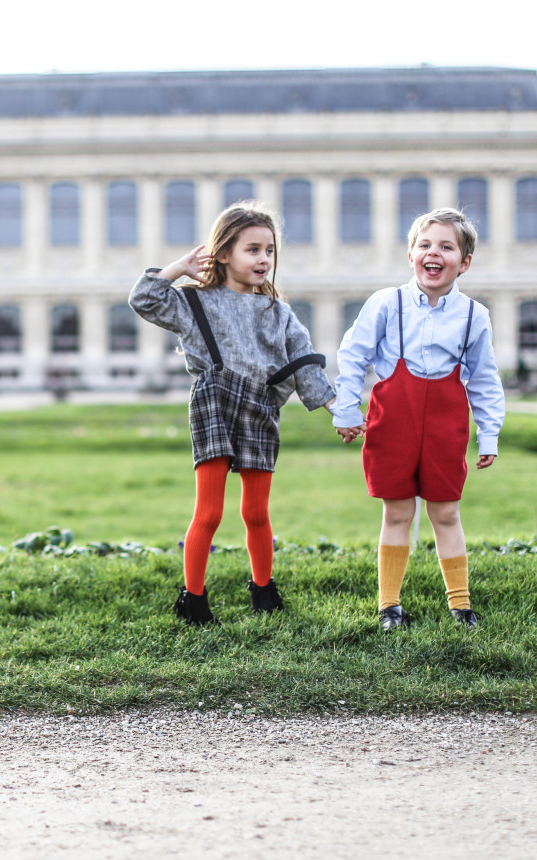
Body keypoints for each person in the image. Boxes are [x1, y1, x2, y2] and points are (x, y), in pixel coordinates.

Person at [129, 201, 337, 626]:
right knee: (209, 511)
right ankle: (193, 600)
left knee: (257, 512)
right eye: (253, 250)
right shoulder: (193, 303)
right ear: (223, 253)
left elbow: (304, 363)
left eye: (269, 251)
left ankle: (264, 590)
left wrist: (336, 408)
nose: (263, 259)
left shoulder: (279, 313)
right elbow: (144, 299)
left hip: (260, 406)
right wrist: (179, 268)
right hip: (215, 400)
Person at [331, 207, 505, 631]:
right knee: (397, 512)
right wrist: (347, 407)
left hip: (446, 426)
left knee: (446, 513)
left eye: (447, 247)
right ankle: (389, 606)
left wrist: (489, 434)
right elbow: (354, 356)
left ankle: (461, 606)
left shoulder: (473, 316)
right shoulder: (386, 304)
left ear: (464, 263)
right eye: (424, 245)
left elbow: (484, 378)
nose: (434, 253)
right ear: (410, 255)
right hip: (393, 422)